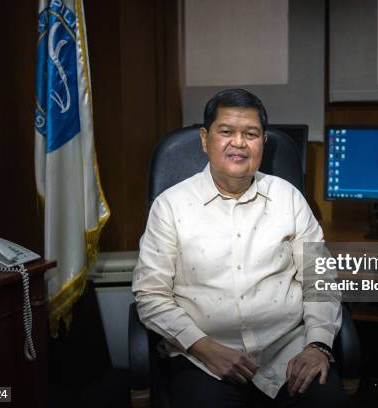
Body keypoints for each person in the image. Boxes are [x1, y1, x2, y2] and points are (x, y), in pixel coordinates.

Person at [132, 88, 348, 407]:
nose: (239, 143)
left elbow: (321, 280)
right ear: (206, 140)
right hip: (202, 359)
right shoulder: (171, 206)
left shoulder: (288, 198)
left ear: (263, 142)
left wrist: (318, 346)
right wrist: (203, 347)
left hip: (288, 353)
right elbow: (151, 295)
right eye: (226, 132)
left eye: (251, 133)